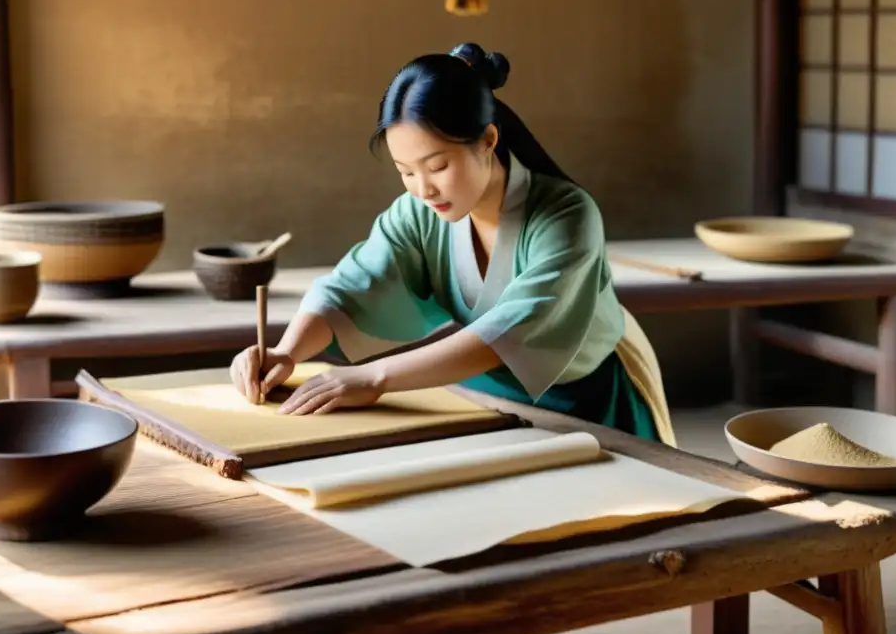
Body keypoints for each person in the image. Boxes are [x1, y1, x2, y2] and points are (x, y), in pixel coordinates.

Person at [228, 43, 675, 444]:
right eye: (405, 171)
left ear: (488, 140)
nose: (422, 189)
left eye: (436, 166)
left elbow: (510, 333)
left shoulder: (567, 216)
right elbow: (349, 287)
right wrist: (286, 352)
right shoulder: (418, 213)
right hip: (480, 390)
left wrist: (376, 377)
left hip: (587, 394)